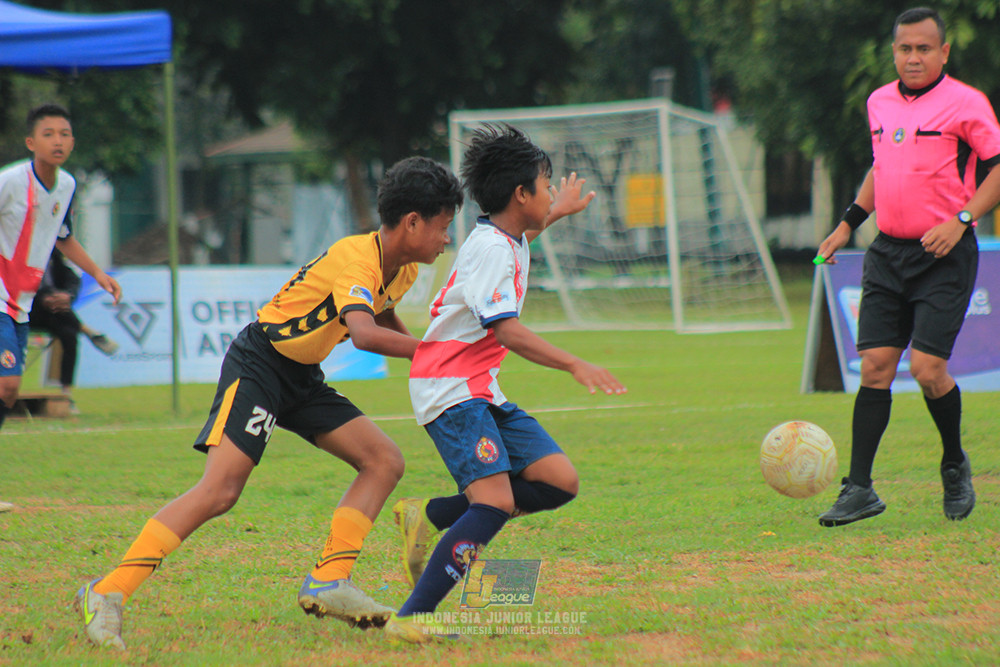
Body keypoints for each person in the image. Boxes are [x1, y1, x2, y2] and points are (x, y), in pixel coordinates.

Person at [73, 156, 463, 650]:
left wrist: (428, 359)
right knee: (220, 491)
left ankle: (329, 582)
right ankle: (105, 592)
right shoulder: (356, 258)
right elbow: (363, 334)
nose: (446, 239)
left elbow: (381, 315)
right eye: (444, 227)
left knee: (383, 460)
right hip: (260, 364)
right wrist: (439, 352)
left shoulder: (401, 268)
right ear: (412, 222)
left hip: (300, 375)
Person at [384, 124, 626, 643]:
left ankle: (430, 516)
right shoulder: (493, 248)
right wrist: (574, 364)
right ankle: (412, 617)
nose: (548, 190)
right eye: (545, 185)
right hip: (450, 389)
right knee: (493, 503)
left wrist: (555, 211)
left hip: (478, 389)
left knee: (560, 480)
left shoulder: (505, 238)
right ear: (520, 194)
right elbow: (507, 330)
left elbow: (525, 237)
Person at [814, 7, 1000, 527]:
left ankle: (953, 463)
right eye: (904, 49)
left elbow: (997, 170)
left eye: (923, 48)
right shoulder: (878, 102)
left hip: (943, 254)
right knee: (874, 367)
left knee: (926, 370)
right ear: (893, 51)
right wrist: (848, 222)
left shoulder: (967, 103)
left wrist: (962, 219)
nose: (913, 57)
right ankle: (861, 490)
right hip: (887, 254)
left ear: (943, 52)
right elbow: (883, 166)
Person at [0, 104, 122, 516]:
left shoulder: (66, 185)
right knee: (7, 386)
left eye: (65, 133)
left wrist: (98, 275)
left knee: (9, 389)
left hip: (22, 302)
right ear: (31, 142)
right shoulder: (10, 182)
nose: (58, 140)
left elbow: (64, 238)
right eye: (48, 133)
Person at [29, 248, 120, 407]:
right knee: (51, 297)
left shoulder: (53, 252)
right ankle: (88, 331)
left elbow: (72, 278)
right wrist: (43, 298)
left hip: (54, 313)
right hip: (22, 311)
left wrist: (67, 296)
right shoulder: (18, 250)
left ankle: (66, 393)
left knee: (69, 335)